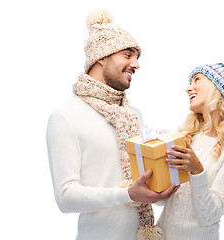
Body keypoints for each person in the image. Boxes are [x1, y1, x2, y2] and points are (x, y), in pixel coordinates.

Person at [46, 9, 177, 240]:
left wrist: (162, 188)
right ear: (101, 57)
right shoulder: (65, 115)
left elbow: (142, 185)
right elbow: (65, 198)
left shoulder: (132, 114)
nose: (136, 64)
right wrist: (127, 194)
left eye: (137, 57)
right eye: (128, 55)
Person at [156, 63, 224, 239]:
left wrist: (197, 171)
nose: (188, 88)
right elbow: (164, 200)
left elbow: (209, 216)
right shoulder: (186, 132)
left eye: (197, 79)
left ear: (217, 88)